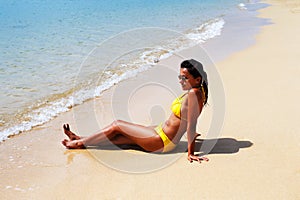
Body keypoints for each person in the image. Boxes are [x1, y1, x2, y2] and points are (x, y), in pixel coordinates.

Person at [62, 59, 209, 163]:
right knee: (119, 139)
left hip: (162, 142)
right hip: (161, 135)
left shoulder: (193, 93)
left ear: (197, 79)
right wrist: (194, 137)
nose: (180, 81)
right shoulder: (199, 90)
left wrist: (191, 153)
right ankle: (81, 138)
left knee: (117, 125)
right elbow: (190, 118)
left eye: (185, 78)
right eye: (180, 77)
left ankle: (79, 144)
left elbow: (191, 124)